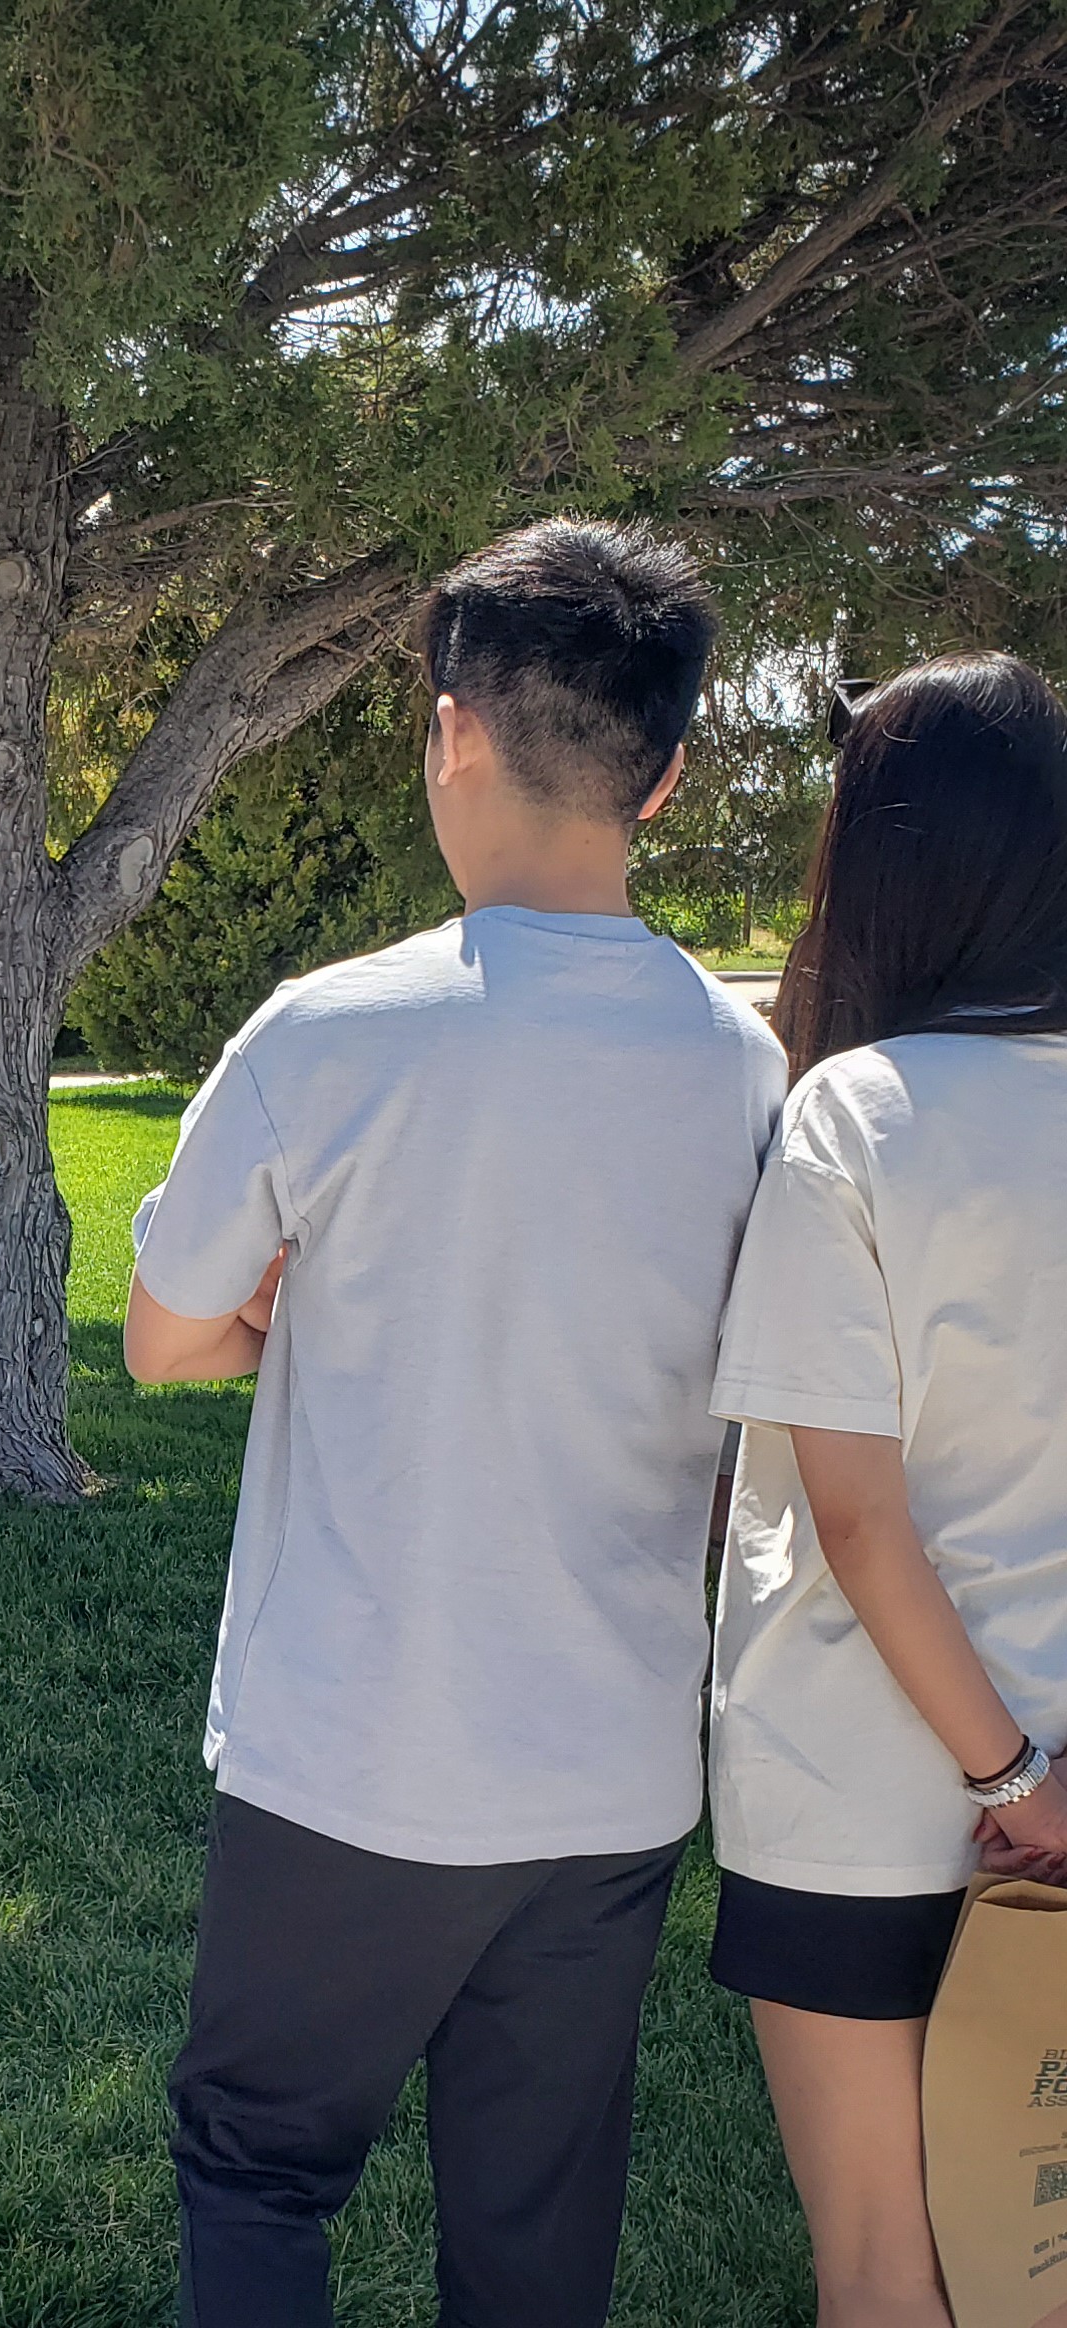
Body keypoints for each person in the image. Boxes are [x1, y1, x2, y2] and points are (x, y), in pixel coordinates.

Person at [125, 521, 789, 2328]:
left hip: (355, 1743)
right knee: (534, 2210)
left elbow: (162, 1335)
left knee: (258, 2164)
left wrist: (298, 1313)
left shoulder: (325, 1032)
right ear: (659, 773)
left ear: (446, 734)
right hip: (611, 1765)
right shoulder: (739, 1064)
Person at [705, 654, 1067, 2328]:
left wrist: (1003, 1765)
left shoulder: (852, 1110)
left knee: (886, 2270)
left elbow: (853, 1518)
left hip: (854, 1797)